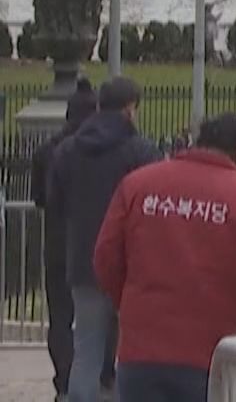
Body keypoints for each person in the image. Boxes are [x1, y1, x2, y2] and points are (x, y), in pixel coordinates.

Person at [94, 113, 236, 402]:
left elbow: (105, 259)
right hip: (212, 353)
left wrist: (131, 301)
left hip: (140, 349)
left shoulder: (137, 185)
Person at [47, 76, 160, 402]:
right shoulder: (141, 150)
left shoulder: (68, 150)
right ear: (129, 109)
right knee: (129, 350)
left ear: (99, 106)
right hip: (130, 264)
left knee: (86, 348)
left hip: (83, 259)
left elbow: (55, 201)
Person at [31, 81, 102, 402]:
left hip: (57, 243)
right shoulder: (98, 150)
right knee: (97, 317)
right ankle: (95, 379)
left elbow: (39, 199)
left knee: (59, 316)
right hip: (90, 242)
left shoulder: (47, 151)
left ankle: (63, 380)